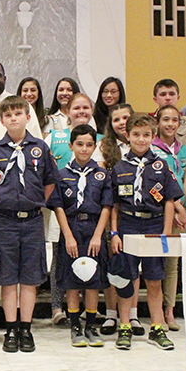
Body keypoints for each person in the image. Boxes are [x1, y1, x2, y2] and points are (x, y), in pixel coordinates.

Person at [0, 96, 59, 353]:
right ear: (2, 120)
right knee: (8, 277)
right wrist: (8, 204)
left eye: (18, 113)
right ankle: (10, 328)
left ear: (28, 117)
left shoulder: (40, 149)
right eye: (8, 115)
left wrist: (32, 203)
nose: (13, 118)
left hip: (32, 221)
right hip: (5, 222)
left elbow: (49, 182)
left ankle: (26, 328)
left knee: (30, 277)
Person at [109, 113, 182, 351]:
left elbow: (169, 200)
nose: (141, 140)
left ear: (153, 136)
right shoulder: (119, 167)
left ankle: (157, 328)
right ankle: (125, 326)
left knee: (154, 280)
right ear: (127, 136)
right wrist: (114, 233)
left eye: (147, 135)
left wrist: (166, 232)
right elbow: (115, 205)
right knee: (126, 281)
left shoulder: (161, 166)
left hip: (153, 226)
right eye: (137, 135)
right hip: (128, 225)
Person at [47, 124, 112, 347]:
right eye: (80, 144)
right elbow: (58, 208)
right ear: (70, 146)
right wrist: (68, 236)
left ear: (95, 147)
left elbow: (106, 207)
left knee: (92, 280)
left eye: (89, 145)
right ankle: (75, 326)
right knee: (73, 280)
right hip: (72, 229)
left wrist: (98, 236)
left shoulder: (102, 174)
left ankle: (91, 326)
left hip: (93, 229)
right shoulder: (62, 175)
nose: (84, 149)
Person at [44, 92, 99, 325]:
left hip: (90, 209)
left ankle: (89, 309)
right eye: (77, 108)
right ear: (68, 111)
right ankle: (57, 306)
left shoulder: (101, 139)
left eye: (86, 108)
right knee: (61, 255)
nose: (81, 112)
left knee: (90, 255)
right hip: (62, 206)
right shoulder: (54, 137)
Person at [95, 103, 133, 336]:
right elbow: (101, 177)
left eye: (126, 118)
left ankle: (133, 314)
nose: (121, 123)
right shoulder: (104, 147)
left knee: (132, 264)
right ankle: (111, 313)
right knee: (114, 262)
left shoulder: (141, 143)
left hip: (134, 212)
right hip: (112, 208)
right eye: (117, 119)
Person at [152, 105, 186, 331]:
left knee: (173, 264)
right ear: (158, 122)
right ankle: (157, 310)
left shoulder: (185, 150)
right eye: (165, 119)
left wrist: (181, 204)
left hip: (181, 211)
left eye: (174, 120)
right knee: (156, 262)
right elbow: (155, 185)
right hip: (160, 211)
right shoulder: (152, 149)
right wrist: (175, 205)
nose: (170, 124)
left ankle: (170, 310)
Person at [150, 79, 186, 148]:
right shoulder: (148, 121)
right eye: (163, 94)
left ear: (178, 98)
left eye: (172, 94)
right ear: (155, 99)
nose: (168, 98)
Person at [94, 103, 133, 171]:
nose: (122, 122)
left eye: (125, 118)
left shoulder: (141, 142)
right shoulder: (102, 146)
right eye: (116, 120)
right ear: (110, 125)